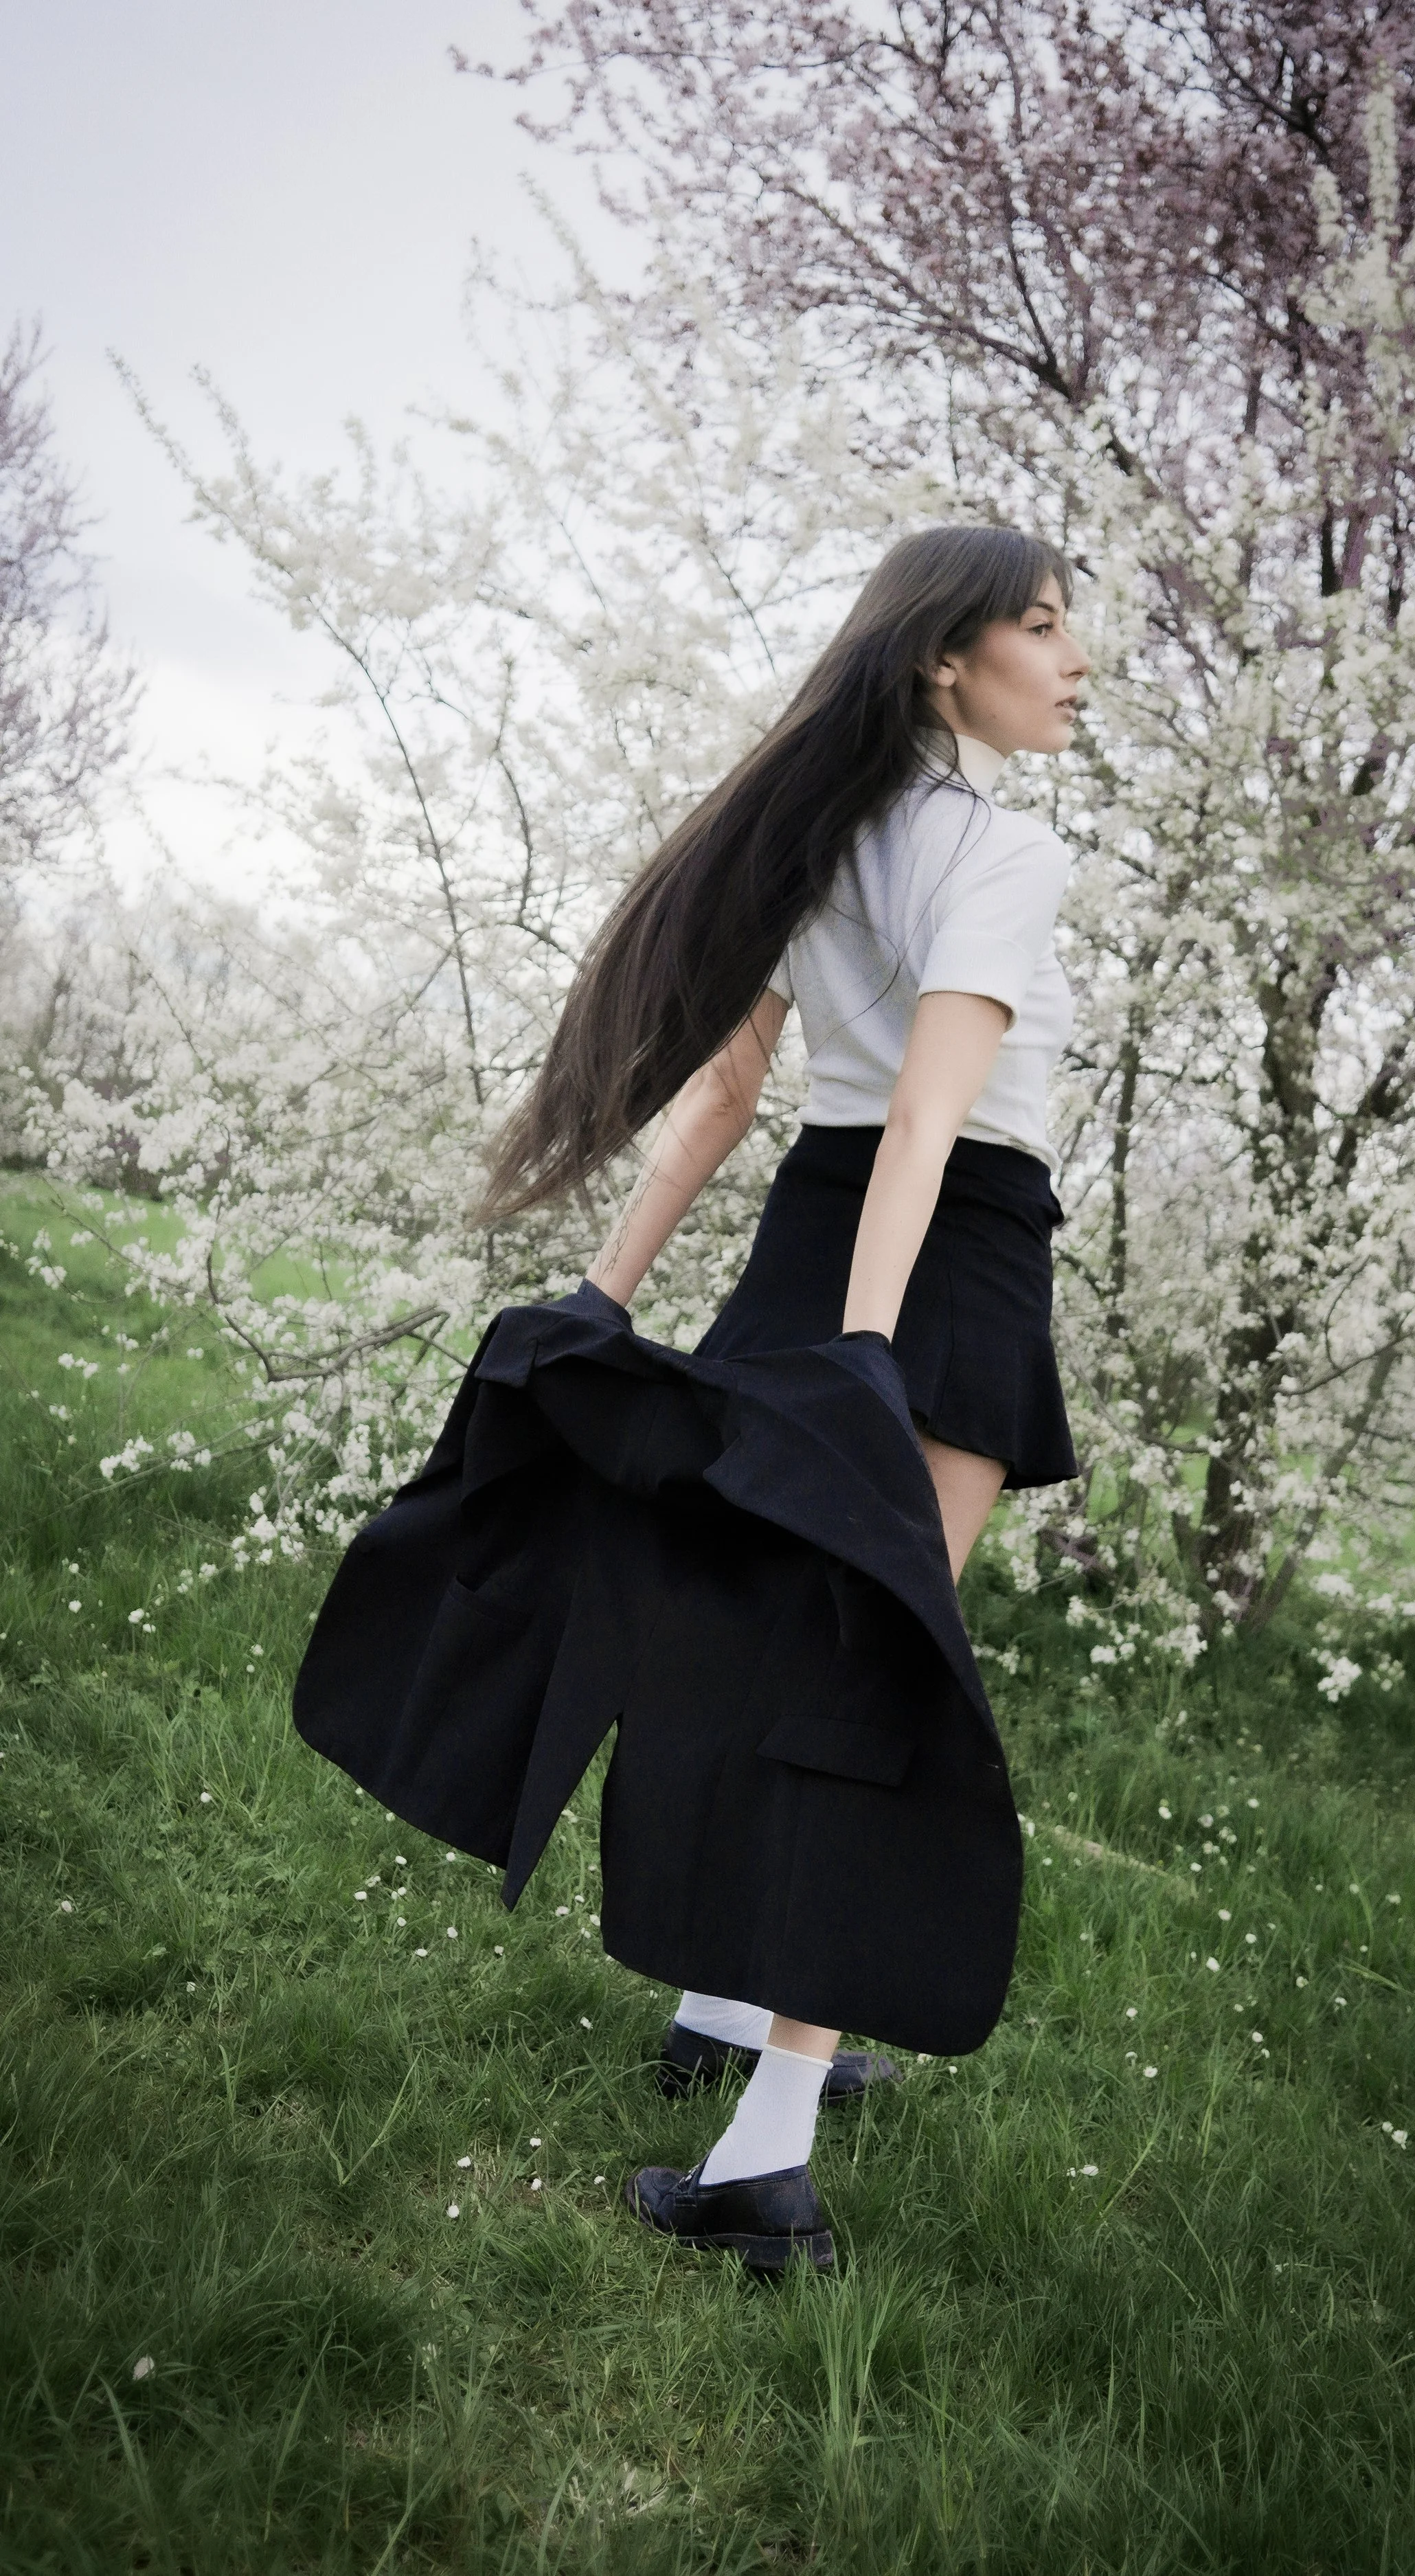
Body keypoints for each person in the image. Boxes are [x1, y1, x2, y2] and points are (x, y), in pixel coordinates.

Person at [295, 523, 1088, 2274]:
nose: (1073, 657)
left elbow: (723, 1099)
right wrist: (872, 1363)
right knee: (862, 1693)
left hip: (809, 1251)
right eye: (1040, 627)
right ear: (945, 659)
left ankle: (734, 2008)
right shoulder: (1004, 853)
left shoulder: (815, 838)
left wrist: (612, 1289)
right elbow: (927, 1126)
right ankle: (761, 2166)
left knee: (763, 1661)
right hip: (932, 1265)